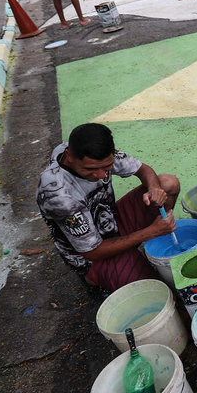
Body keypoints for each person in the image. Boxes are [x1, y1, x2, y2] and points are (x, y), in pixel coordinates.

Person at [36, 123, 180, 293]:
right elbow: (92, 251)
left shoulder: (91, 151)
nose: (101, 175)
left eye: (107, 167)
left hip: (110, 222)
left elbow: (143, 170)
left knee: (167, 184)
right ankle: (94, 277)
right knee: (152, 290)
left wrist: (154, 189)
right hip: (92, 254)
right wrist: (152, 231)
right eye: (90, 170)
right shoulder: (59, 196)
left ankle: (138, 248)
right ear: (69, 157)